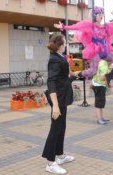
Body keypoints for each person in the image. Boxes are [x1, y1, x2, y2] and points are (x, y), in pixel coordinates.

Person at [54, 6, 113, 85]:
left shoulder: (106, 26)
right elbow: (76, 26)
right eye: (99, 14)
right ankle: (74, 76)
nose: (101, 16)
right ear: (94, 15)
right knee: (93, 71)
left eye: (102, 14)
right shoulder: (89, 26)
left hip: (105, 50)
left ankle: (109, 76)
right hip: (95, 51)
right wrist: (64, 27)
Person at [42, 34, 75, 175]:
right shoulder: (54, 59)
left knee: (61, 127)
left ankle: (60, 155)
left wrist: (76, 75)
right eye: (65, 43)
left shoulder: (59, 57)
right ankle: (50, 162)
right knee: (55, 128)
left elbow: (63, 77)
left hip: (63, 98)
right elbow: (52, 82)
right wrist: (55, 105)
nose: (66, 44)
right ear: (60, 44)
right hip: (58, 100)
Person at [92, 57, 112, 125]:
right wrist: (107, 84)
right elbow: (102, 77)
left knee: (101, 102)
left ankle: (101, 117)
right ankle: (99, 119)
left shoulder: (101, 62)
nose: (111, 64)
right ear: (109, 61)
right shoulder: (104, 65)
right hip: (99, 85)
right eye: (111, 63)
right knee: (98, 103)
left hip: (97, 84)